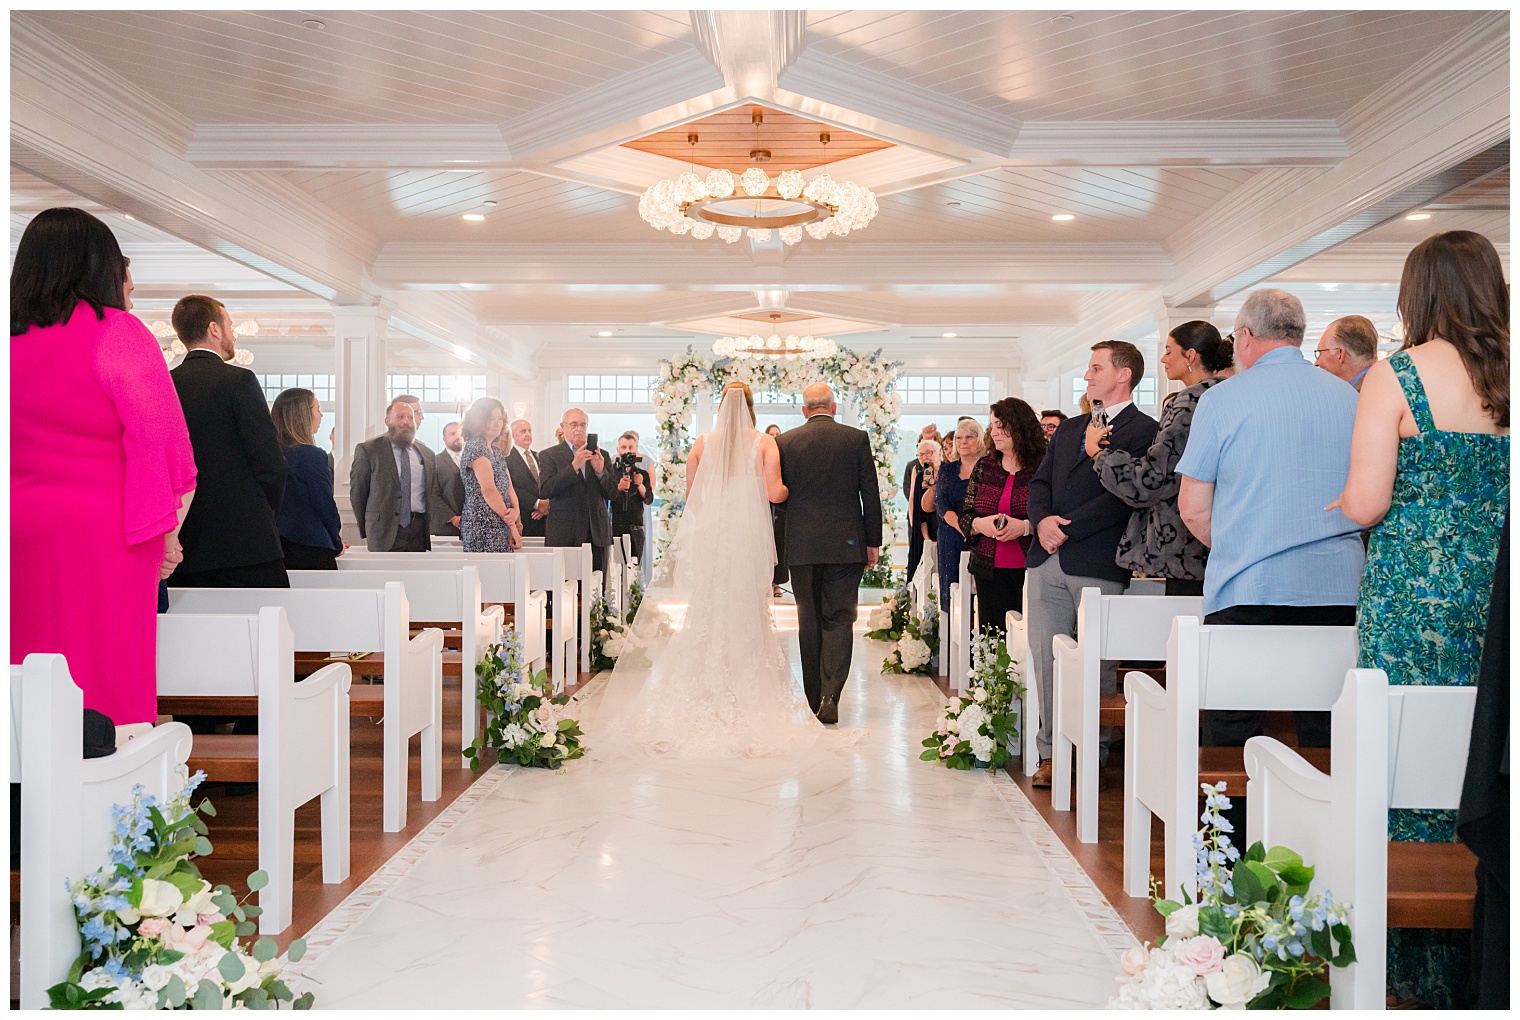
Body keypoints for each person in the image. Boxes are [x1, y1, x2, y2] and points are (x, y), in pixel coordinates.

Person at [1329, 231, 1509, 1009]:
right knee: (1486, 747)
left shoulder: (1396, 377)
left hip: (1416, 596)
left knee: (1403, 760)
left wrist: (1346, 504)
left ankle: (1411, 970)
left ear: (1418, 293)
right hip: (1499, 592)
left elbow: (1367, 502)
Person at [11, 207, 196, 729]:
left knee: (24, 668)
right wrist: (166, 535)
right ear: (98, 266)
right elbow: (158, 441)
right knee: (105, 674)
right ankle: (115, 802)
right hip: (105, 532)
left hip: (17, 528)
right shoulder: (117, 332)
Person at [593, 382, 836, 756]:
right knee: (747, 609)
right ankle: (746, 693)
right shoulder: (764, 443)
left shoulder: (703, 443)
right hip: (749, 536)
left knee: (709, 607)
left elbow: (694, 497)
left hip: (715, 535)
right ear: (751, 408)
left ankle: (704, 690)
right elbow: (775, 494)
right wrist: (792, 490)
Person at [1177, 288, 1363, 751]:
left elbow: (1193, 508)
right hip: (1336, 587)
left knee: (1233, 727)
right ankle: (1322, 824)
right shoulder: (1351, 398)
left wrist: (1243, 545)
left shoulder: (1221, 400)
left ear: (1244, 337)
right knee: (1328, 729)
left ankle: (1230, 825)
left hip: (1248, 584)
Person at [1026, 341, 1160, 787]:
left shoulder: (1146, 431)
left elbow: (1124, 498)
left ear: (1124, 375)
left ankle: (1091, 755)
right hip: (1046, 557)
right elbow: (1040, 481)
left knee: (1097, 662)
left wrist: (1069, 527)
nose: (1087, 376)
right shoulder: (1071, 429)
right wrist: (1042, 520)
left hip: (1098, 559)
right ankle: (1050, 753)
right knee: (1047, 658)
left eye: (1095, 368)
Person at [1089, 321, 1233, 597]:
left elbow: (1151, 480)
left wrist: (1098, 453)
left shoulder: (1190, 402)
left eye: (1169, 351)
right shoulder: (1229, 393)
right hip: (1223, 537)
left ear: (1190, 356)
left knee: (1186, 634)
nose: (1163, 359)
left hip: (1186, 544)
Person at [776, 383, 883, 723]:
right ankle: (830, 694)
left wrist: (779, 549)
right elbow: (871, 494)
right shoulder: (856, 439)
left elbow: (778, 500)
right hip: (846, 544)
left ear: (805, 410)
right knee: (839, 617)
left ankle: (812, 699)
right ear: (833, 407)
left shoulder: (785, 442)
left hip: (802, 545)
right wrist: (873, 541)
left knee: (807, 618)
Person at [168, 294, 288, 589]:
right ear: (215, 329)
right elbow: (271, 464)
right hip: (244, 543)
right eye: (230, 326)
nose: (233, 334)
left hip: (183, 544)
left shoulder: (165, 384)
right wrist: (259, 512)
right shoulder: (239, 381)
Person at [959, 398, 1046, 636]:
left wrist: (1026, 527)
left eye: (1000, 425)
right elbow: (965, 516)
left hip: (1032, 568)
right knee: (992, 636)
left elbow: (1055, 514)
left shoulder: (1042, 465)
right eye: (992, 425)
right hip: (988, 567)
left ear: (1018, 426)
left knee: (1028, 637)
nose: (994, 432)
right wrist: (980, 524)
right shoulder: (985, 466)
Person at [350, 397, 446, 552]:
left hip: (418, 532)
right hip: (383, 532)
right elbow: (358, 493)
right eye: (400, 417)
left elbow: (432, 494)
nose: (406, 421)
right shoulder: (369, 450)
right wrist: (369, 527)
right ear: (387, 421)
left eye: (410, 417)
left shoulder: (427, 454)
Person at [537, 408, 619, 574]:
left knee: (597, 589)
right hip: (565, 531)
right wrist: (573, 467)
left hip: (596, 531)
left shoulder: (601, 454)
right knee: (562, 586)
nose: (579, 429)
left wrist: (600, 471)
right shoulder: (549, 455)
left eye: (582, 425)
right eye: (574, 424)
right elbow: (546, 490)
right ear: (563, 426)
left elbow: (613, 494)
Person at [271, 388, 344, 570]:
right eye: (317, 409)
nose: (321, 415)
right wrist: (337, 542)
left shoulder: (268, 455)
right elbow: (324, 505)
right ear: (303, 415)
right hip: (311, 549)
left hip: (275, 547)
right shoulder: (311, 455)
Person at [458, 397, 522, 553]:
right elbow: (489, 490)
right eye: (491, 419)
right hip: (482, 525)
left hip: (501, 521)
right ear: (478, 421)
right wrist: (511, 524)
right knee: (488, 574)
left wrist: (516, 511)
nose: (497, 423)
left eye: (500, 419)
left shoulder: (496, 451)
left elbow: (509, 488)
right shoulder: (475, 447)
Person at [933, 418, 985, 607]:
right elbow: (941, 503)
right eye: (958, 437)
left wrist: (975, 528)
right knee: (952, 589)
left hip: (983, 534)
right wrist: (963, 528)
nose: (963, 442)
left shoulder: (989, 467)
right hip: (952, 534)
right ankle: (949, 634)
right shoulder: (947, 470)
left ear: (979, 439)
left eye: (969, 437)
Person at [609, 432, 653, 568]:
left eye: (630, 448)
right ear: (617, 450)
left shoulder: (642, 473)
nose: (626, 451)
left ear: (636, 450)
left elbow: (649, 499)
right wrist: (618, 487)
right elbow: (605, 496)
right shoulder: (609, 473)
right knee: (615, 569)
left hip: (635, 528)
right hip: (614, 527)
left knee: (633, 568)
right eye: (623, 447)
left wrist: (640, 485)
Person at [903, 439, 940, 583]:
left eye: (929, 453)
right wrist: (926, 538)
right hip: (927, 527)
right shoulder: (920, 476)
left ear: (939, 454)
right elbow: (919, 510)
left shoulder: (948, 472)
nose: (925, 457)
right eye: (921, 455)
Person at [502, 418, 546, 539]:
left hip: (545, 519)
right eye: (523, 431)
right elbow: (511, 488)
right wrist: (536, 504)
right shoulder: (507, 459)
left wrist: (545, 506)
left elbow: (548, 482)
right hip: (524, 518)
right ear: (513, 435)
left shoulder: (540, 457)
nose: (527, 434)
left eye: (529, 431)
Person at [1313, 314, 1379, 391]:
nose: (1316, 363)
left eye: (1320, 353)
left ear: (1340, 354)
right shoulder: (1381, 381)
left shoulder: (1362, 394)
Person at [434, 419, 465, 537]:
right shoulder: (435, 462)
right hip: (447, 527)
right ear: (444, 439)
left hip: (473, 526)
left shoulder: (473, 461)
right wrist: (452, 518)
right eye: (452, 434)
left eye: (460, 433)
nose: (457, 437)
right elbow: (433, 495)